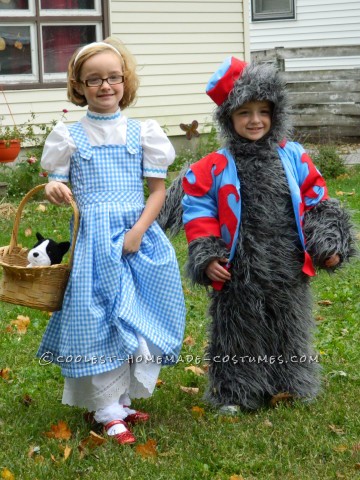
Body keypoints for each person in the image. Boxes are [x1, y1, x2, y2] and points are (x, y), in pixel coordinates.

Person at [179, 57, 355, 413]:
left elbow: (316, 200)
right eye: (244, 112)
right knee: (237, 331)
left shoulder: (293, 156)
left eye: (263, 111)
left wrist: (328, 244)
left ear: (276, 113)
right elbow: (199, 210)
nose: (255, 120)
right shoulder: (213, 166)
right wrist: (208, 255)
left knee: (289, 325)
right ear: (228, 118)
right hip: (238, 268)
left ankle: (291, 382)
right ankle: (236, 393)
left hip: (287, 264)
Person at [37, 37, 186, 443]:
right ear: (79, 85)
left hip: (137, 236)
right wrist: (54, 188)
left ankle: (120, 398)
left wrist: (138, 232)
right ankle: (103, 405)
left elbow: (157, 190)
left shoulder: (143, 131)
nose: (105, 86)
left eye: (113, 78)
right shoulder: (70, 135)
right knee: (99, 316)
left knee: (141, 313)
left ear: (126, 80)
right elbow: (57, 182)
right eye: (94, 80)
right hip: (94, 243)